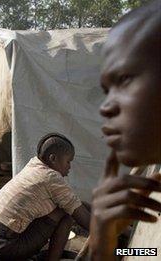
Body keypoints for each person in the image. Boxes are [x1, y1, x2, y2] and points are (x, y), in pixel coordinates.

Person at [89, 2, 161, 260]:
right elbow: (150, 252)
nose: (105, 107)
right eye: (107, 90)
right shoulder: (150, 182)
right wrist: (103, 244)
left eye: (124, 79)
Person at [0, 133, 91, 260]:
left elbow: (79, 204)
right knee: (66, 213)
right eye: (68, 161)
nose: (69, 167)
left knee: (67, 207)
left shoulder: (33, 167)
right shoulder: (52, 178)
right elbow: (87, 222)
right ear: (53, 158)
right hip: (2, 248)